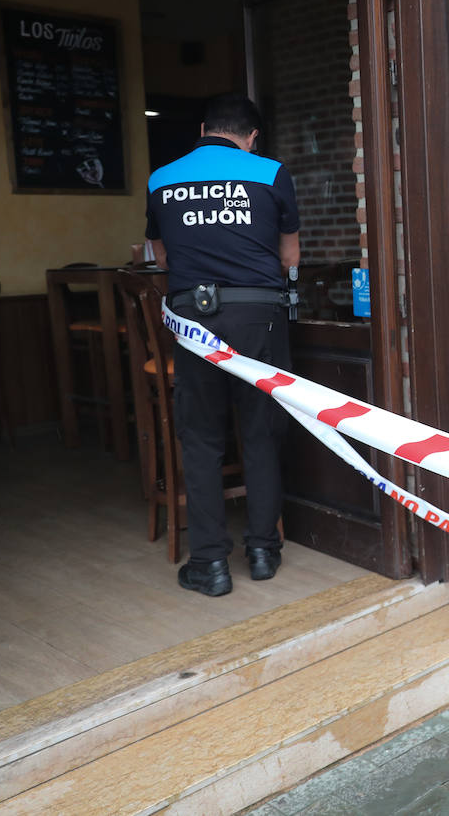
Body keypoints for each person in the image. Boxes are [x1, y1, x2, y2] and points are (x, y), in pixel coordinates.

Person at [145, 93, 300, 597]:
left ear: (206, 127)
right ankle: (262, 552)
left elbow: (162, 255)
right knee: (260, 431)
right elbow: (288, 258)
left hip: (194, 318)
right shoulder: (272, 172)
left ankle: (210, 564)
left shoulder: (160, 178)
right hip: (259, 315)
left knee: (203, 436)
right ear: (252, 137)